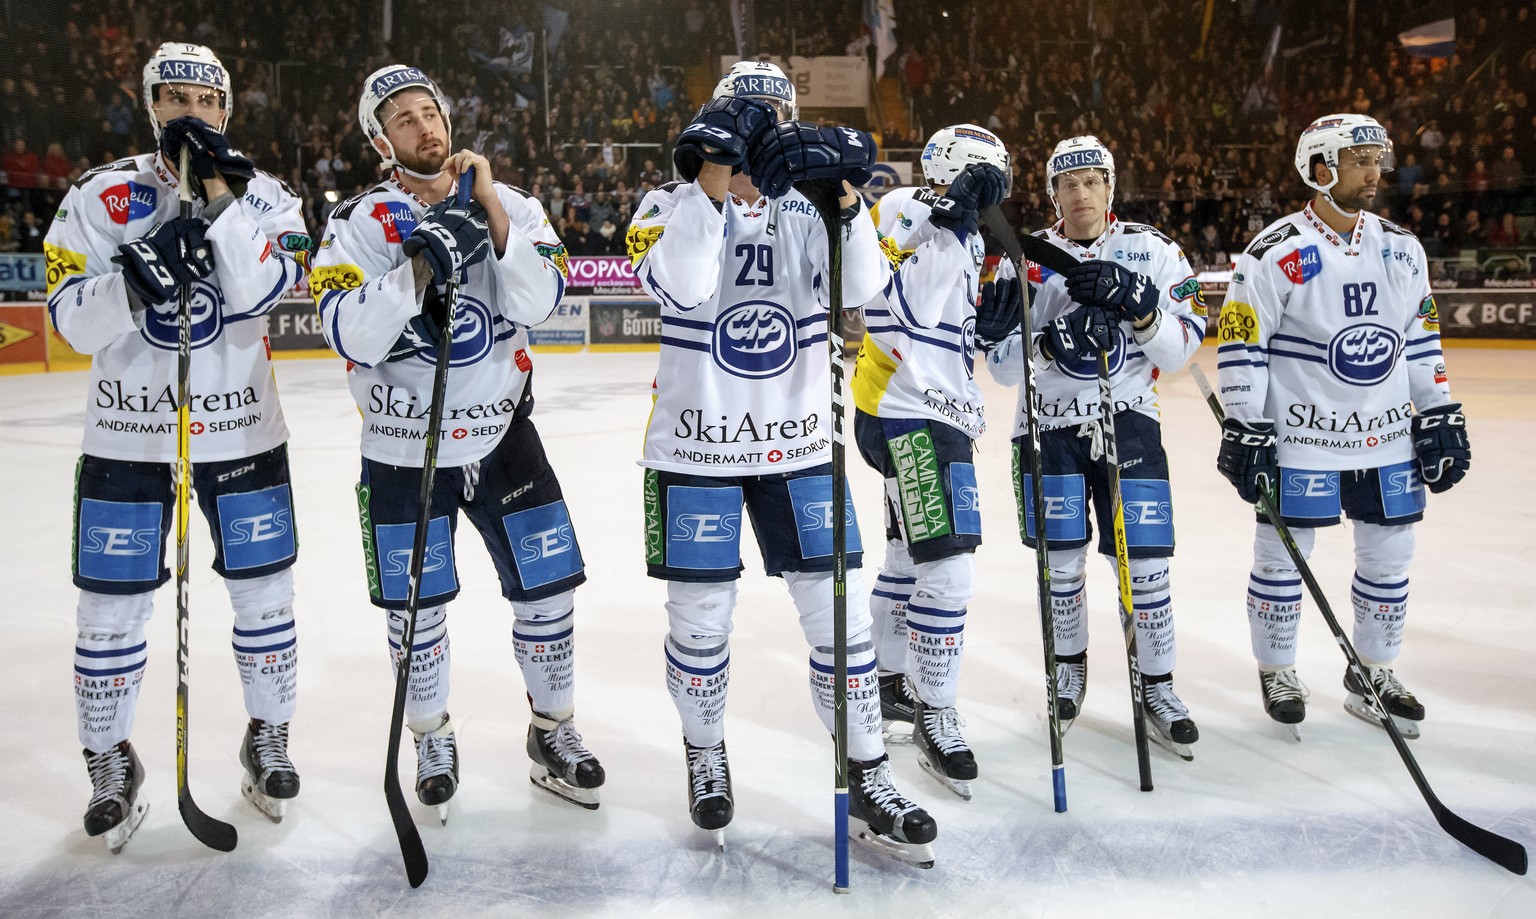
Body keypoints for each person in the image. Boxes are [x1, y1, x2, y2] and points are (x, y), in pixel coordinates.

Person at [627, 60, 937, 863]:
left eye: (775, 117)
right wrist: (712, 179)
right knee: (701, 623)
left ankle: (867, 768)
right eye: (745, 116)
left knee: (837, 620)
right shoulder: (662, 206)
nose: (763, 129)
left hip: (800, 446)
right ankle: (705, 751)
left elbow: (860, 288)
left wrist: (843, 196)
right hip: (695, 448)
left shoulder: (811, 207)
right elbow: (688, 285)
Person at [312, 64, 604, 820]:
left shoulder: (511, 201)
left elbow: (543, 300)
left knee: (547, 590)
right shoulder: (356, 222)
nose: (424, 127)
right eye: (403, 118)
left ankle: (553, 731)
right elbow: (349, 331)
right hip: (405, 450)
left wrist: (491, 220)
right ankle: (432, 736)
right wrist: (424, 259)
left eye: (428, 111)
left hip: (505, 437)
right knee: (418, 609)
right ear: (382, 139)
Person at [46, 42, 309, 851]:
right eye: (175, 98)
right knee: (109, 612)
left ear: (227, 110)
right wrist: (132, 280)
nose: (192, 110)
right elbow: (65, 317)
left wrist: (225, 205)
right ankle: (110, 758)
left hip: (240, 431)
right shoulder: (100, 193)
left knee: (265, 596)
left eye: (207, 98)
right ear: (151, 108)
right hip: (130, 431)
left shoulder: (268, 196)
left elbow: (269, 288)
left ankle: (267, 738)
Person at [1216, 113, 1469, 741]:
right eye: (1360, 161)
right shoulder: (1275, 252)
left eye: (1377, 160)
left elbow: (1421, 339)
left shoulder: (1400, 248)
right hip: (1304, 440)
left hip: (1387, 439)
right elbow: (1243, 345)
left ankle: (1373, 673)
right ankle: (1278, 670)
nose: (1375, 173)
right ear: (1320, 168)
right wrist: (1247, 426)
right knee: (1282, 559)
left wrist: (1437, 411)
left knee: (1390, 558)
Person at [985, 135, 1208, 759]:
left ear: (1110, 187)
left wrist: (1142, 311)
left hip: (1129, 423)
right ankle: (1068, 669)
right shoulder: (1020, 257)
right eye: (1067, 183)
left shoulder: (1154, 249)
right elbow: (1001, 368)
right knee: (1059, 564)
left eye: (1091, 180)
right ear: (1052, 192)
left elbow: (1181, 348)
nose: (1080, 193)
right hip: (1044, 430)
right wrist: (1051, 342)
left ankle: (1157, 685)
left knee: (1147, 565)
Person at [851, 123, 1013, 799]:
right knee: (949, 568)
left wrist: (987, 325)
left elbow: (961, 335)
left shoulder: (975, 231)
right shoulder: (901, 210)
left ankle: (889, 683)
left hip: (937, 409)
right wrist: (950, 225)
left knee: (908, 559)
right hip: (906, 409)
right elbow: (894, 316)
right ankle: (933, 710)